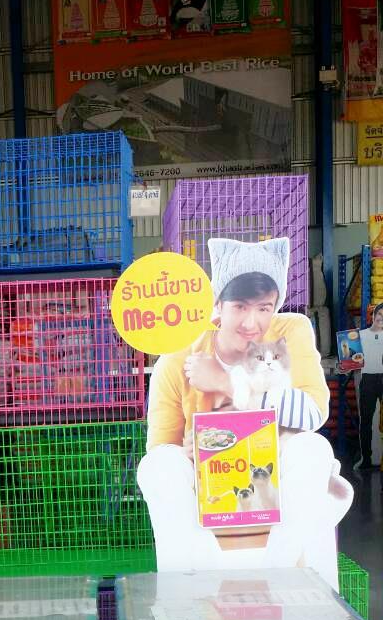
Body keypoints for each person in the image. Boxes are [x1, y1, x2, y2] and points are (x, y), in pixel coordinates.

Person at [137, 237, 353, 589]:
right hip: (212, 499)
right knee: (158, 465)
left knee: (313, 447)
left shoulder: (289, 332)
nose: (252, 322)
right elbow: (159, 453)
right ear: (218, 305)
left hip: (281, 490)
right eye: (239, 306)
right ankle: (193, 592)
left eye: (265, 308)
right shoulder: (178, 359)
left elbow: (313, 412)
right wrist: (186, 453)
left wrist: (226, 382)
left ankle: (278, 578)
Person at [355, 302, 383, 471]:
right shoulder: (360, 335)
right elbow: (351, 358)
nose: (381, 318)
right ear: (374, 315)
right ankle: (366, 458)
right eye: (379, 314)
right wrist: (345, 365)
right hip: (368, 379)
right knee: (366, 420)